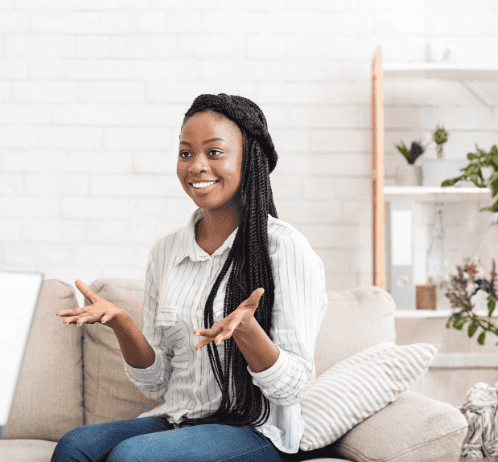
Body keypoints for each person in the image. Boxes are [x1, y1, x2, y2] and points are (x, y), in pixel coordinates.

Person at [52, 93, 328, 462]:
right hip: (179, 419)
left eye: (214, 152)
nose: (196, 166)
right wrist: (122, 324)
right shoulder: (166, 252)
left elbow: (293, 387)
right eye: (186, 153)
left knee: (132, 458)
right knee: (74, 447)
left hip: (255, 430)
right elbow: (157, 382)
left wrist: (248, 331)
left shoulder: (285, 248)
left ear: (250, 161)